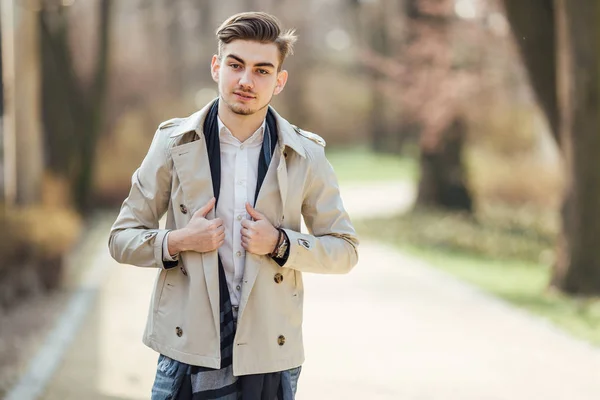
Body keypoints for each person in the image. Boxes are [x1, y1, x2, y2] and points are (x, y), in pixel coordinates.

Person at [108, 11, 358, 400]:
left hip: (270, 354)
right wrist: (177, 241)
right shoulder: (173, 144)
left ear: (279, 81)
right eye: (235, 65)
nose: (245, 80)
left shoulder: (305, 154)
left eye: (262, 70)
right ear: (216, 66)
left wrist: (281, 243)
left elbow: (345, 249)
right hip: (186, 349)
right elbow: (121, 238)